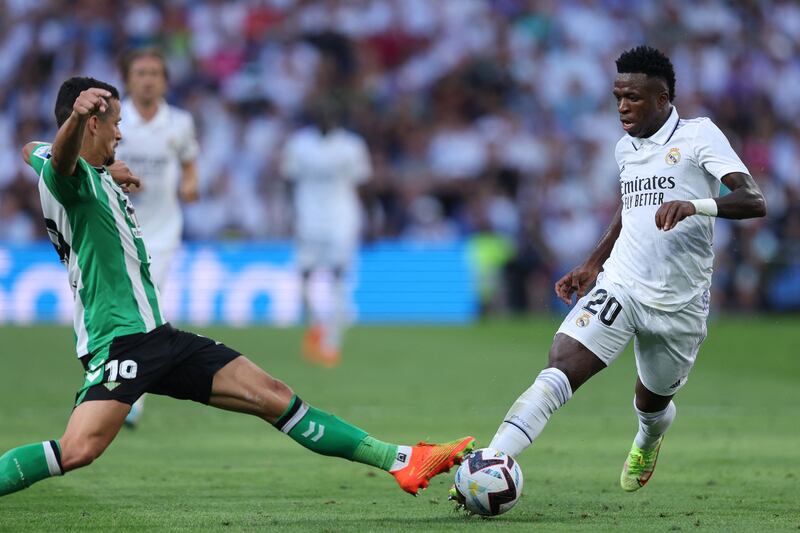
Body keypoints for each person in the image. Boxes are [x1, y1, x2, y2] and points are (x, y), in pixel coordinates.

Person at [0, 76, 474, 499]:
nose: (121, 134)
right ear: (90, 125)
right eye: (115, 123)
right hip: (119, 342)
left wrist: (99, 165)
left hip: (157, 337)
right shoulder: (71, 182)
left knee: (272, 394)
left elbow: (31, 149)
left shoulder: (81, 171)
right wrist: (82, 134)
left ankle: (403, 460)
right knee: (78, 448)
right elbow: (61, 162)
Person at [463, 45, 766, 497]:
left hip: (679, 302)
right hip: (622, 284)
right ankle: (491, 463)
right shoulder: (626, 148)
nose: (622, 106)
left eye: (634, 98)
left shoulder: (700, 135)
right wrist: (593, 262)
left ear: (663, 99)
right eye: (617, 96)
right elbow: (630, 208)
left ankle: (648, 437)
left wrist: (695, 205)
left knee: (652, 404)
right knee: (562, 364)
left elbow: (754, 199)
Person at [114, 47, 200, 427]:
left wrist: (191, 184)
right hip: (117, 228)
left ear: (164, 80)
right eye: (141, 72)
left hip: (162, 233)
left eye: (154, 72)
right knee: (119, 308)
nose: (148, 79)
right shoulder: (115, 121)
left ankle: (133, 398)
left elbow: (189, 162)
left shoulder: (179, 123)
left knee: (149, 309)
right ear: (129, 79)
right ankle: (115, 380)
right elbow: (94, 163)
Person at [280, 98, 371, 367]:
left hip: (342, 218)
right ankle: (317, 324)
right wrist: (289, 214)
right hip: (307, 218)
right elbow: (288, 181)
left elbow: (363, 184)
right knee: (304, 276)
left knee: (339, 276)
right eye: (321, 112)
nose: (325, 118)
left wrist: (373, 218)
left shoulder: (352, 146)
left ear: (338, 118)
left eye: (330, 113)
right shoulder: (299, 144)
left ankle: (332, 341)